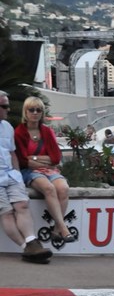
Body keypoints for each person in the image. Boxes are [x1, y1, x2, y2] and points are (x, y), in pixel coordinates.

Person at [14, 96, 76, 243]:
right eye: (31, 110)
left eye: (38, 110)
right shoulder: (19, 132)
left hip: (49, 170)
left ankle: (56, 229)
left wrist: (34, 158)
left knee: (63, 188)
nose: (35, 113)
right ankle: (63, 228)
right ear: (26, 112)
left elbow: (55, 158)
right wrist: (43, 160)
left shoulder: (47, 131)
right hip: (30, 172)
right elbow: (23, 160)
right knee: (48, 188)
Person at [0, 91, 52, 263]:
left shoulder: (7, 127)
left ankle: (31, 241)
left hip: (10, 175)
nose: (8, 109)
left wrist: (16, 172)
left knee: (22, 205)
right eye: (4, 106)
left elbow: (12, 153)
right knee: (7, 213)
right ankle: (27, 248)